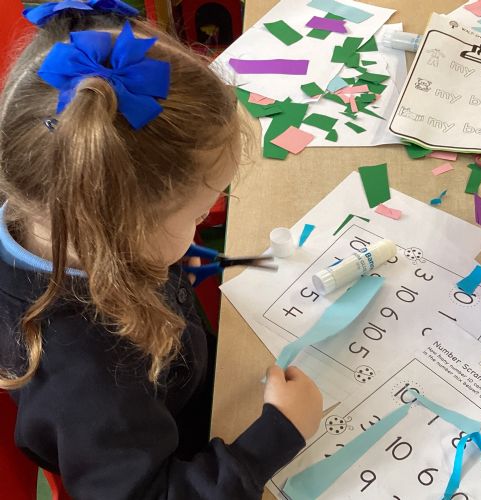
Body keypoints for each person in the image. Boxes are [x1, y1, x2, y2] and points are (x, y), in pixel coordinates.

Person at [0, 3, 323, 499]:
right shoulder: (91, 379)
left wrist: (167, 263)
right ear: (120, 235)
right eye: (197, 214)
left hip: (179, 381)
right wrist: (275, 437)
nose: (201, 227)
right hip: (181, 450)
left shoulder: (41, 210)